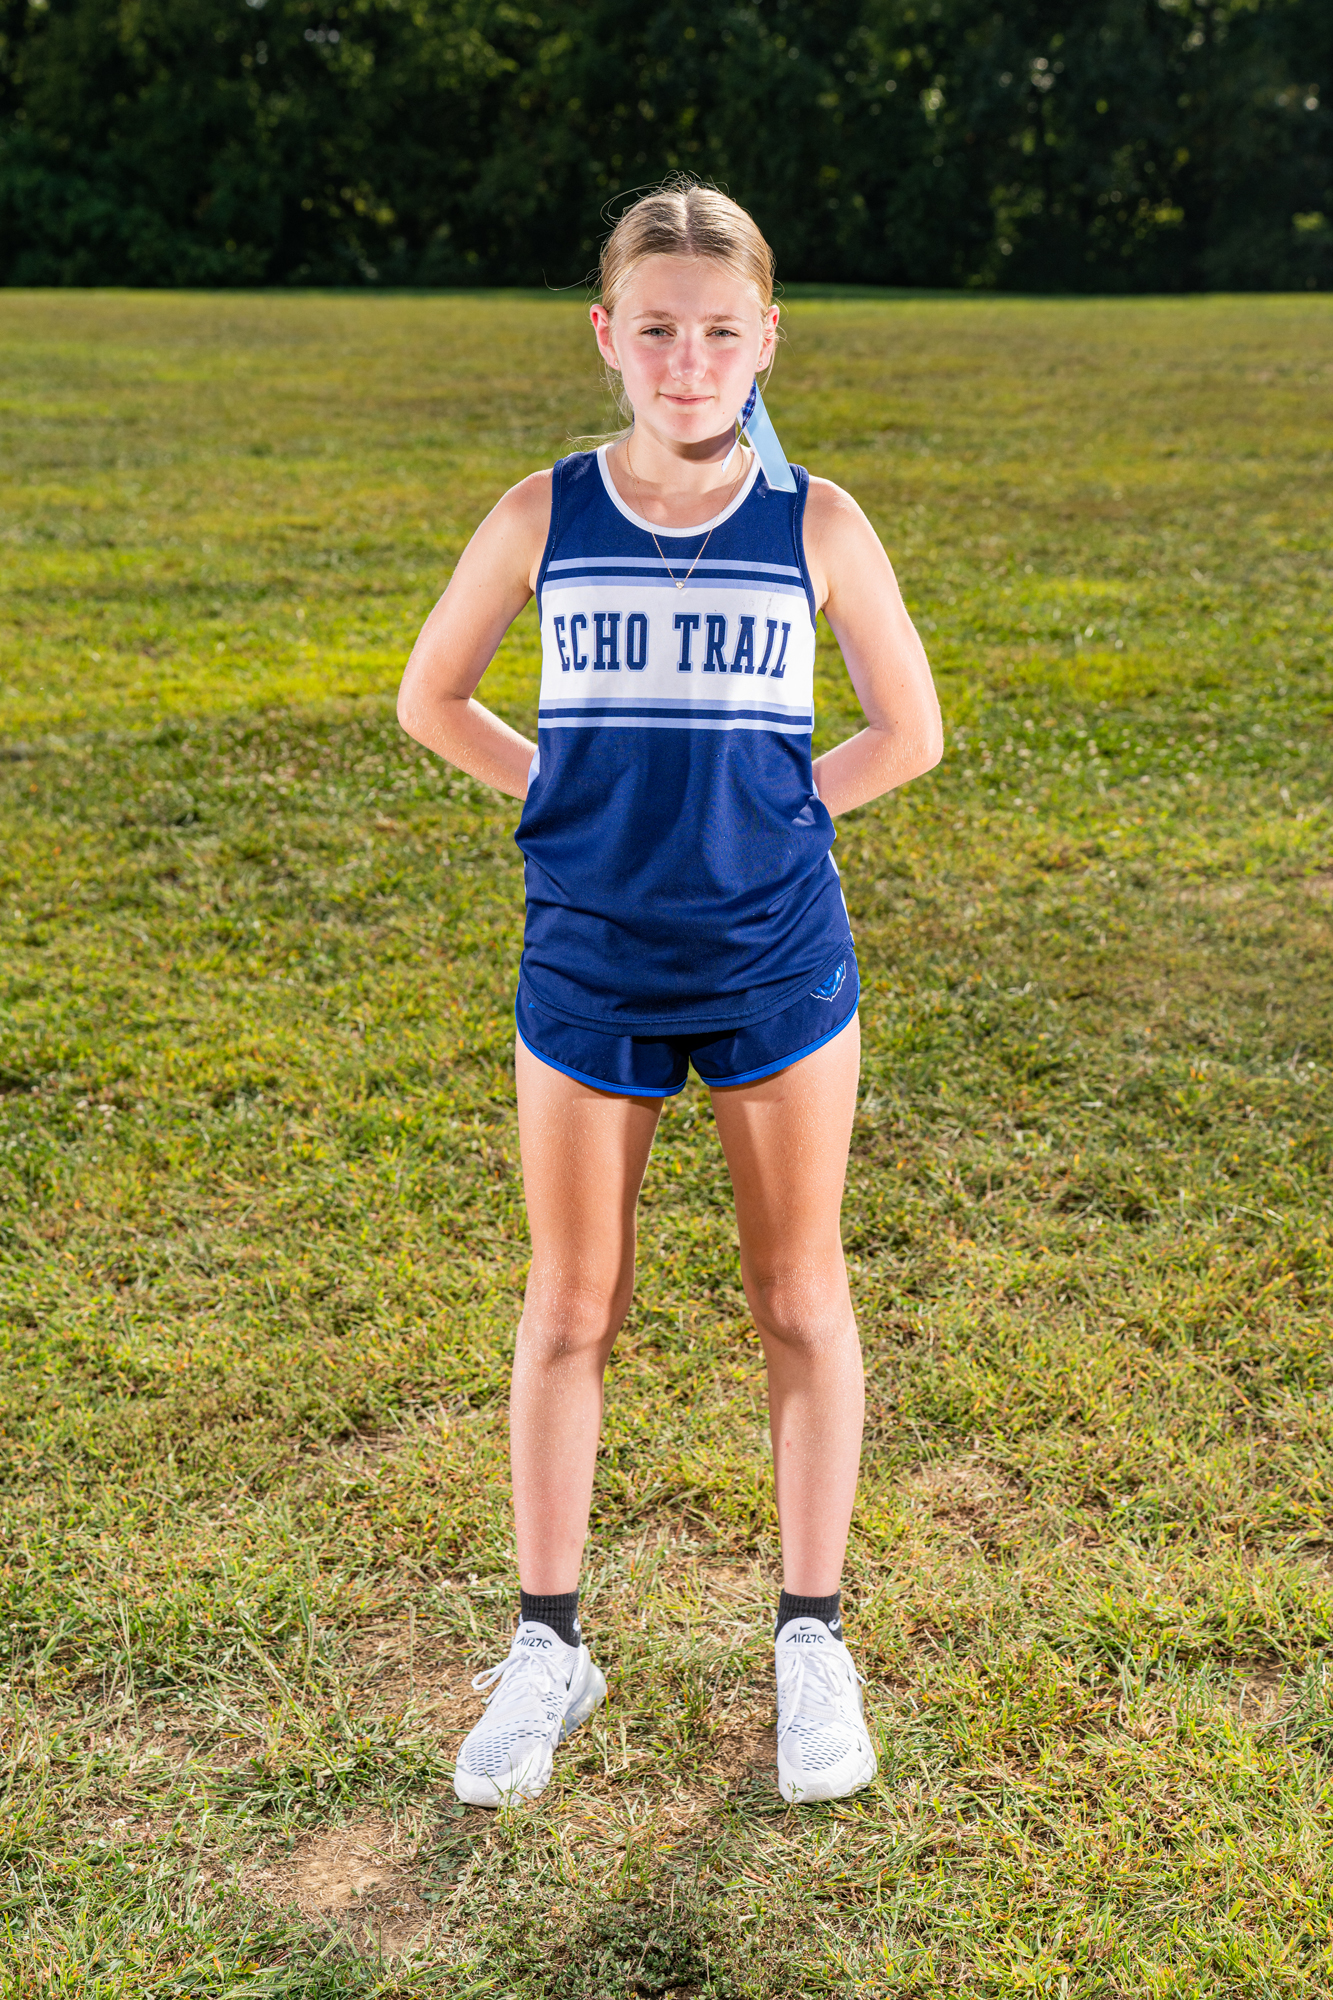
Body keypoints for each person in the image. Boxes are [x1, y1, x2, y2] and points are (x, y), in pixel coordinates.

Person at [396, 180, 942, 1808]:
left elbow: (907, 733)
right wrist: (565, 800)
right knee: (571, 1304)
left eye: (716, 332)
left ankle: (809, 1640)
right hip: (591, 960)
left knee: (797, 1297)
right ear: (605, 336)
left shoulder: (817, 523)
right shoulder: (541, 514)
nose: (685, 361)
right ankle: (548, 1646)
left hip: (774, 959)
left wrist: (775, 817)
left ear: (765, 338)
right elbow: (432, 697)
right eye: (655, 330)